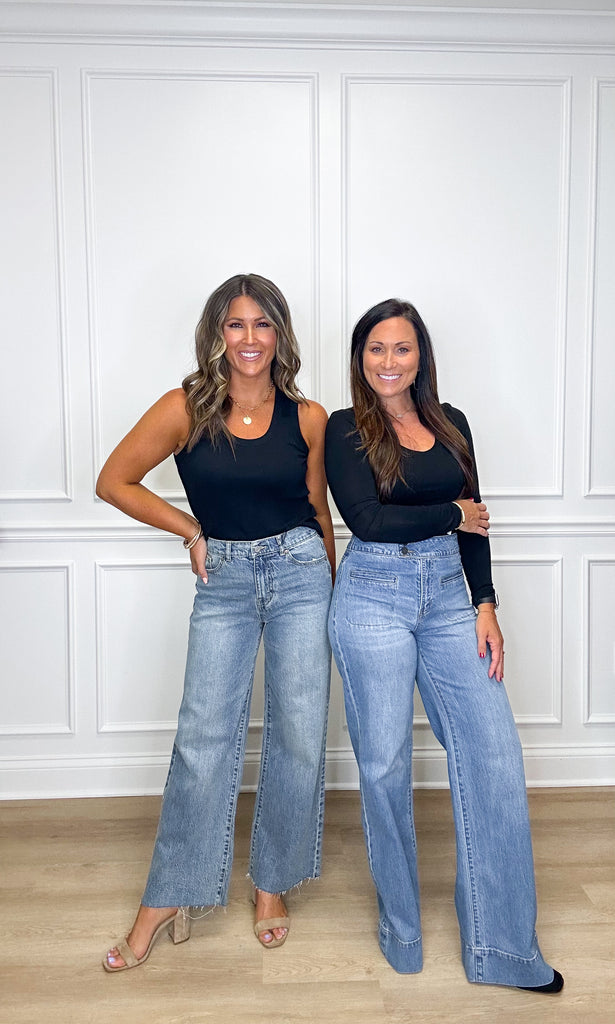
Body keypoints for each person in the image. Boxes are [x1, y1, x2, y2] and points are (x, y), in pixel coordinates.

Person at [97, 273, 334, 971]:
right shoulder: (185, 407)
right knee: (202, 738)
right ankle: (169, 895)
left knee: (298, 734)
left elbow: (318, 510)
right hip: (224, 580)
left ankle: (272, 883)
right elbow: (113, 480)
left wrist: (334, 586)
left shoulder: (309, 417)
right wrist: (190, 531)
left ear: (280, 334)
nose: (250, 338)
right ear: (217, 334)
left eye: (263, 324)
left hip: (301, 575)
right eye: (236, 324)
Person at [325, 298, 563, 993]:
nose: (388, 361)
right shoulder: (345, 428)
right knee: (384, 766)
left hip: (449, 598)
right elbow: (368, 521)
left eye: (401, 348)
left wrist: (484, 603)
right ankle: (401, 930)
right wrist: (450, 512)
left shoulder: (450, 421)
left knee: (493, 753)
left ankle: (505, 951)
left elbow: (475, 520)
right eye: (375, 348)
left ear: (420, 356)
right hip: (372, 596)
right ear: (360, 358)